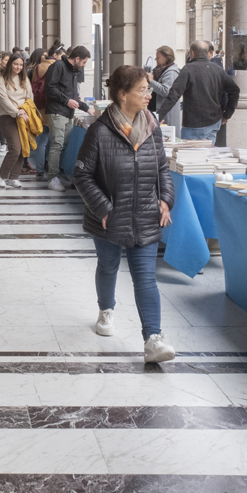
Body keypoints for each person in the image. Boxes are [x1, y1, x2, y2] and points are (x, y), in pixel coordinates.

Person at [73, 64, 176, 363]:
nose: (148, 95)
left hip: (144, 214)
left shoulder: (151, 126)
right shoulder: (99, 131)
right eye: (142, 90)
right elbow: (82, 176)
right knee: (108, 266)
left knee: (145, 277)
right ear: (122, 95)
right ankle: (106, 309)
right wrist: (103, 207)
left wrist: (166, 199)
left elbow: (162, 169)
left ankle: (153, 338)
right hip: (108, 216)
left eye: (148, 89)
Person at [157, 40, 240, 144]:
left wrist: (158, 116)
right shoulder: (217, 70)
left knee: (190, 157)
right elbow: (235, 90)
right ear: (208, 52)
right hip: (214, 122)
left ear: (192, 53)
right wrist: (227, 113)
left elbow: (173, 95)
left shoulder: (188, 69)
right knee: (206, 156)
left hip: (194, 124)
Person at [45, 45, 96, 191]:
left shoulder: (73, 71)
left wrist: (86, 108)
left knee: (63, 145)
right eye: (84, 62)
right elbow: (49, 88)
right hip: (57, 111)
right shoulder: (58, 66)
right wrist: (66, 100)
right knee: (57, 144)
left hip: (68, 113)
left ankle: (58, 175)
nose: (84, 66)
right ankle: (52, 177)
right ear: (77, 58)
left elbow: (72, 95)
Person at [0, 52, 33, 188]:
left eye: (21, 65)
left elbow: (30, 97)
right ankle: (1, 175)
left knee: (23, 147)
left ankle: (14, 177)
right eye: (16, 64)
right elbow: (3, 100)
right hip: (7, 117)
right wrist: (17, 112)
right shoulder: (1, 80)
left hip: (23, 117)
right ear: (10, 64)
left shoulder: (24, 79)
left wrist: (26, 111)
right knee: (15, 148)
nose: (18, 67)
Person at [146, 45, 182, 130]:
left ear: (166, 58)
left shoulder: (171, 72)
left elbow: (166, 91)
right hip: (155, 109)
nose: (155, 59)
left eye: (158, 57)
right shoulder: (159, 71)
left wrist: (151, 81)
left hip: (165, 112)